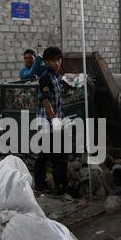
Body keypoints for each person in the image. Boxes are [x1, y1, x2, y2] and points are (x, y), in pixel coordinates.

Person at [33, 46, 70, 200]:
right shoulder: (46, 77)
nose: (57, 63)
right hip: (48, 121)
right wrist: (54, 120)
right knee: (58, 156)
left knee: (46, 154)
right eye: (53, 61)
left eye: (59, 60)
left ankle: (41, 183)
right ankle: (60, 188)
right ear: (47, 62)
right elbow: (45, 100)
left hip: (55, 120)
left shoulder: (56, 76)